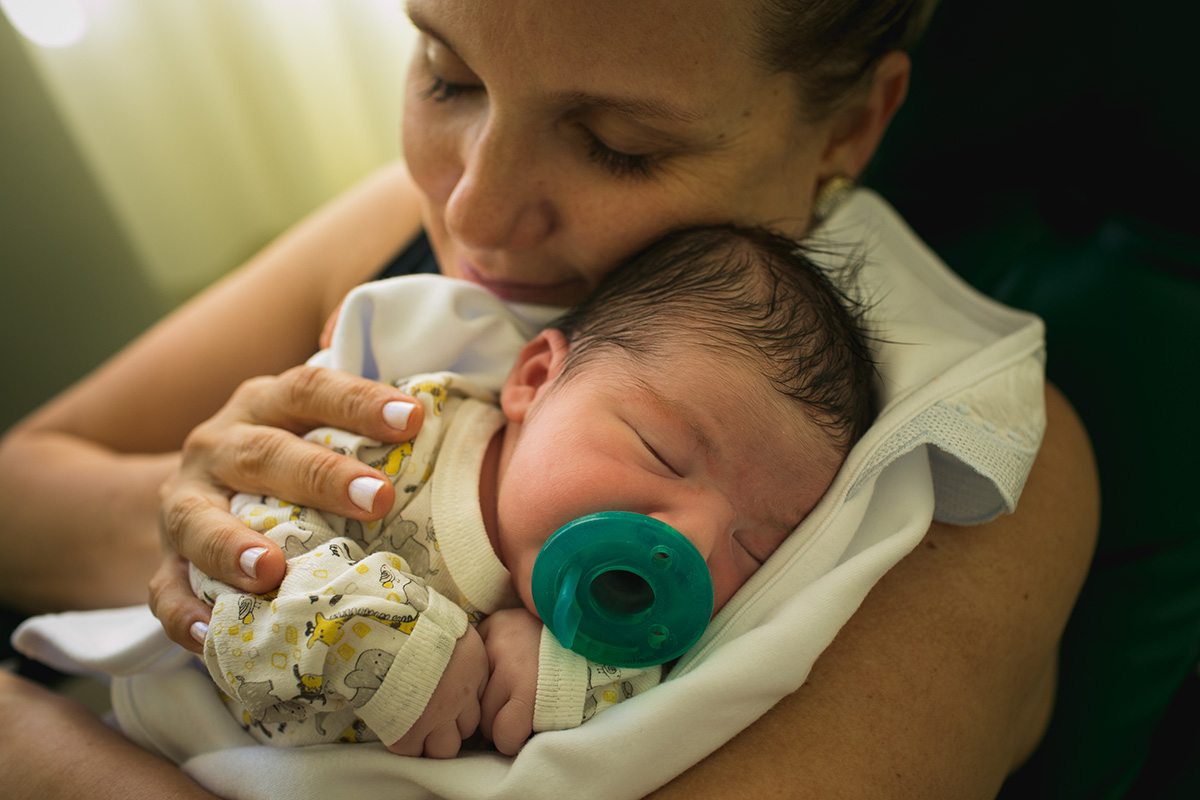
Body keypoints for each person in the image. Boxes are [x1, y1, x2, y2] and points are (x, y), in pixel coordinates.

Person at [0, 1, 1099, 798]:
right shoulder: (403, 222)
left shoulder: (980, 470)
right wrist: (232, 526)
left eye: (621, 146)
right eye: (447, 74)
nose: (472, 212)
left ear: (850, 126)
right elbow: (19, 483)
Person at [188, 223, 874, 757]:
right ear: (537, 379)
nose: (691, 542)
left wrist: (549, 680)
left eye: (753, 546)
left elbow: (651, 719)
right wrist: (401, 647)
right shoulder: (396, 446)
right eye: (660, 452)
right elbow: (244, 568)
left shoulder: (624, 632)